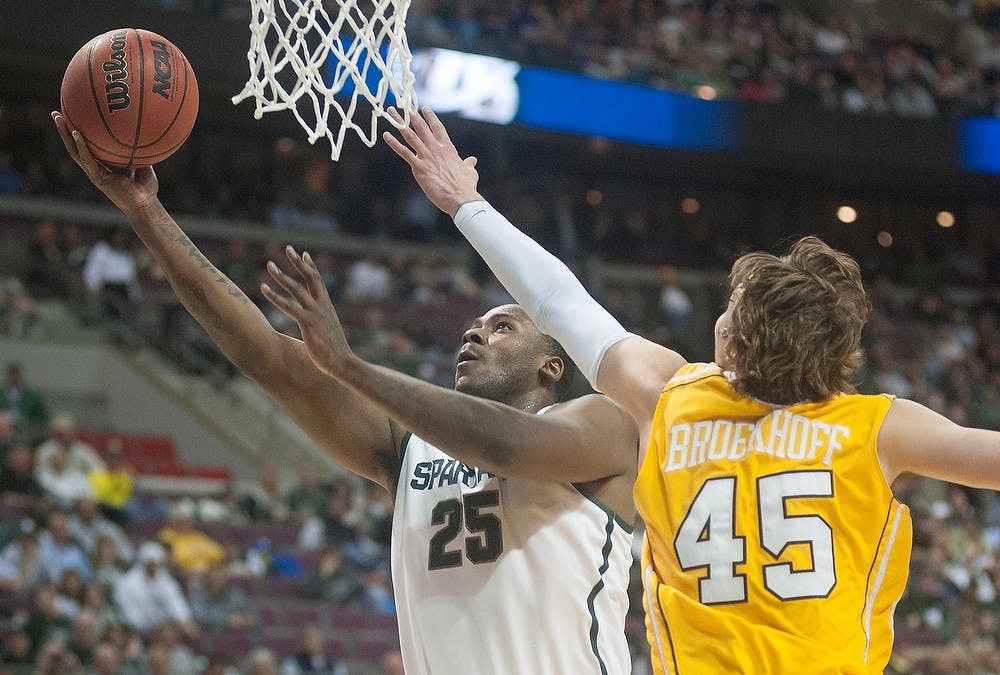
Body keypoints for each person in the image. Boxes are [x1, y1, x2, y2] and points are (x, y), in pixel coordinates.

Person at [384, 107, 1000, 674]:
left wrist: (467, 206)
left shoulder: (667, 396)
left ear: (732, 341)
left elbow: (559, 300)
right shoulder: (878, 428)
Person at [53, 110, 639, 674]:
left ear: (551, 367)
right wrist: (144, 211)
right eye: (477, 324)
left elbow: (507, 448)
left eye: (502, 326)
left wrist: (349, 367)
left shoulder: (604, 425)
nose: (474, 331)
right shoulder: (412, 449)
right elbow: (265, 357)